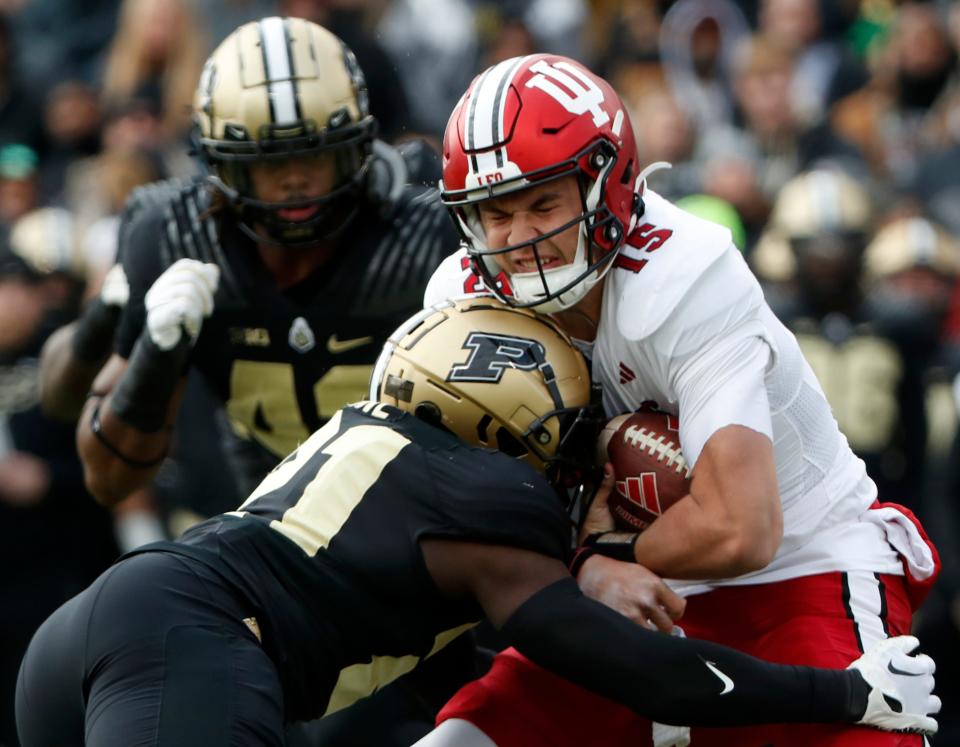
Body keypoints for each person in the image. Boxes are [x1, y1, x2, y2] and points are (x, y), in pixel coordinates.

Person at [15, 298, 941, 747]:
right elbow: (652, 675)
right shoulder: (488, 505)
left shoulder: (368, 440)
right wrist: (843, 694)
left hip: (86, 641)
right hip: (193, 650)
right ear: (513, 424)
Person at [421, 53, 941, 747]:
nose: (519, 239)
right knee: (459, 741)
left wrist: (609, 553)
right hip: (607, 582)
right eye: (495, 212)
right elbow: (447, 514)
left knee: (872, 728)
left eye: (543, 202)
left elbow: (741, 527)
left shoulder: (685, 273)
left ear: (608, 186)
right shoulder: (458, 303)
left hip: (800, 560)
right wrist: (585, 564)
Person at [58, 17, 457, 504]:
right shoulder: (175, 235)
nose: (293, 182)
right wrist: (156, 355)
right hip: (259, 531)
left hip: (418, 514)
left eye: (312, 154)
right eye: (268, 162)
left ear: (357, 147)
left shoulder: (427, 229)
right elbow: (107, 478)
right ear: (219, 163)